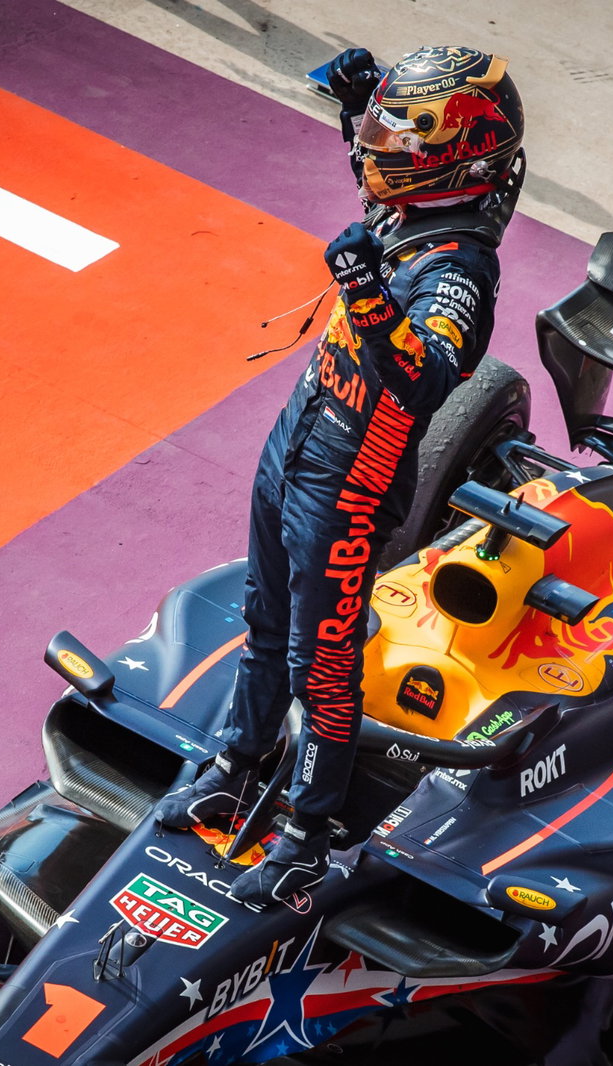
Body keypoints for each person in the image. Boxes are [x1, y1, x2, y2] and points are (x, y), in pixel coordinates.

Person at [158, 44, 525, 904]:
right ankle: (237, 768)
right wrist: (355, 108)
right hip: (298, 441)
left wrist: (362, 289)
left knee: (321, 661)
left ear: (450, 153)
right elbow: (376, 184)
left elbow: (427, 375)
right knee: (265, 620)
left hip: (351, 483)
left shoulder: (461, 269)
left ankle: (306, 832)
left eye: (399, 128)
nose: (375, 144)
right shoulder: (417, 204)